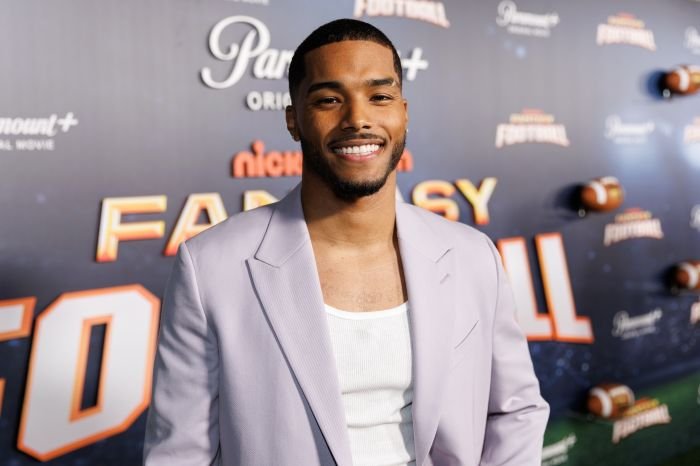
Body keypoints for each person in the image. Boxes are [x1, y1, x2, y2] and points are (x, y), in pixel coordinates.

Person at [144, 18, 549, 466]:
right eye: (329, 100)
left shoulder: (473, 255)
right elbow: (179, 454)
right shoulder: (211, 267)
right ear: (293, 120)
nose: (358, 119)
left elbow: (515, 410)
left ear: (404, 113)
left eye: (380, 97)